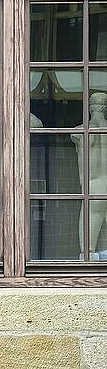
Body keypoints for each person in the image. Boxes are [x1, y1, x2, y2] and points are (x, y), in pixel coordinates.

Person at [71, 92, 107, 260]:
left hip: (93, 186)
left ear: (90, 109)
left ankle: (87, 256)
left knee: (88, 244)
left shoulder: (80, 132)